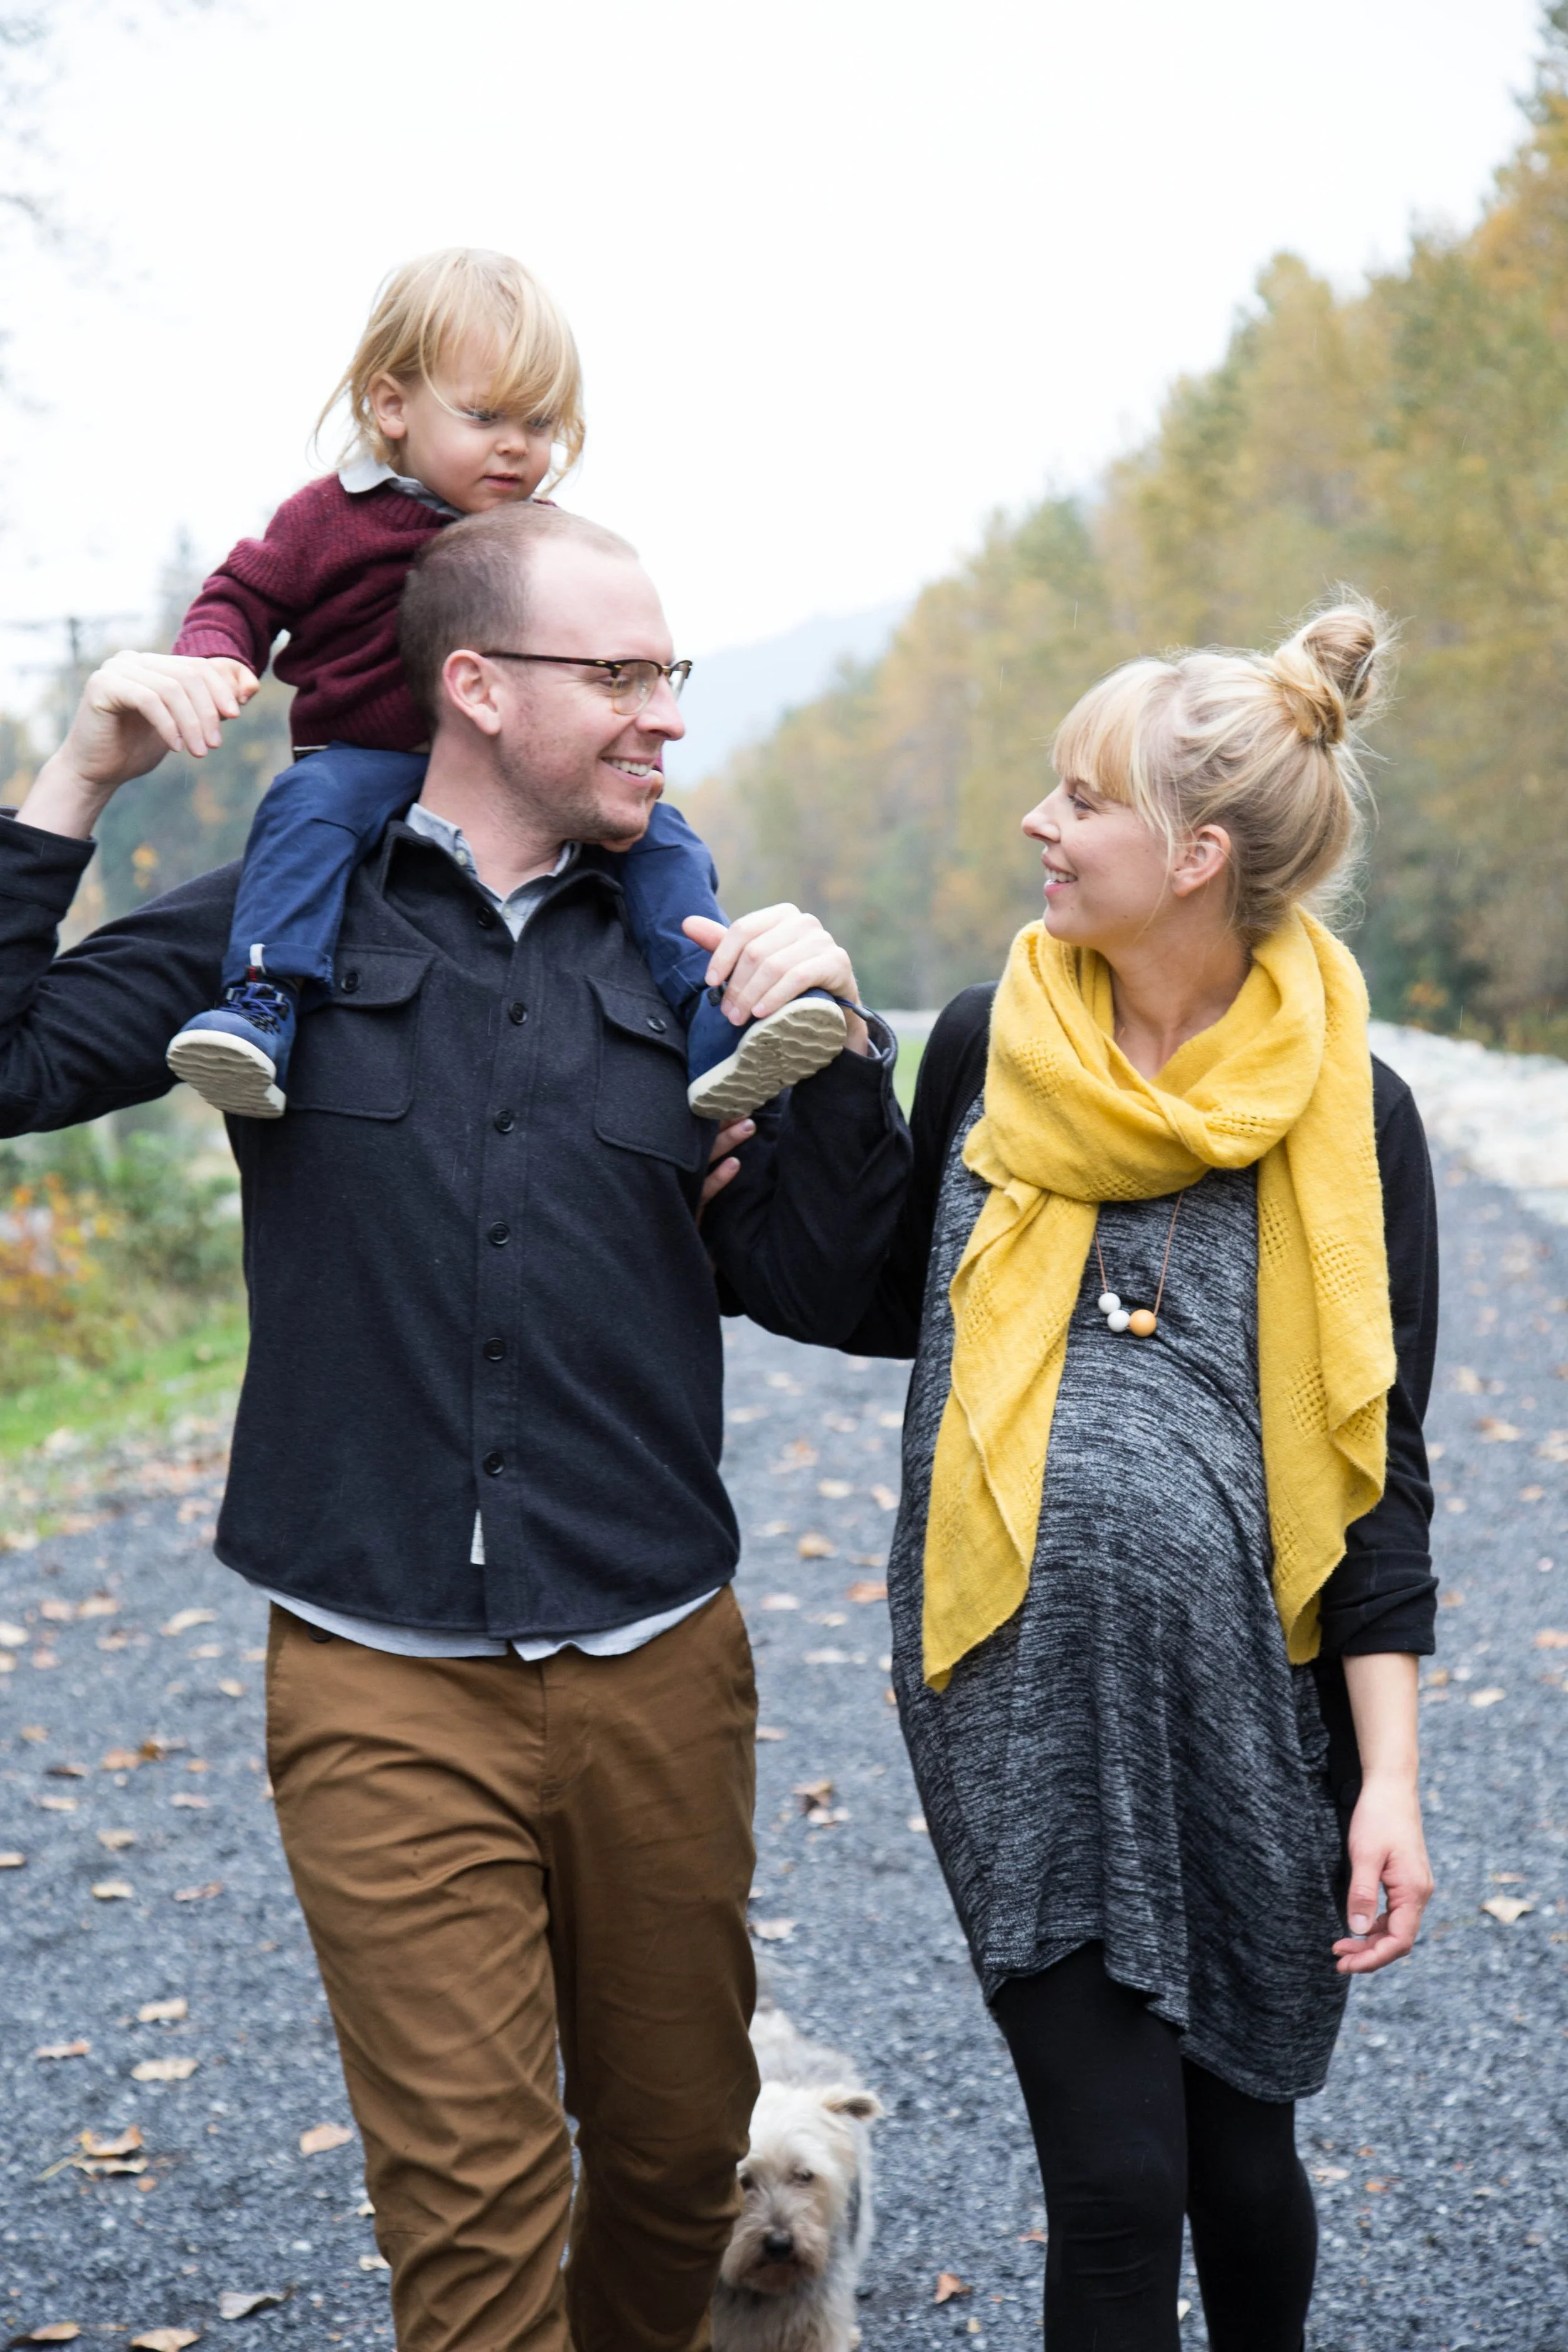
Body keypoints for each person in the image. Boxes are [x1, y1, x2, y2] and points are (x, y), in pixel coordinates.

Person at [0, 500, 911, 2352]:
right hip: (377, 1674)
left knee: (669, 2170)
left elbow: (855, 1292)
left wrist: (833, 1039)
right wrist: (75, 771)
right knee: (477, 2224)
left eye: (674, 674)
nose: (665, 714)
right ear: (476, 686)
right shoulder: (286, 909)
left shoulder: (686, 956)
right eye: (625, 674)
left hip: (661, 1659)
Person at [848, 598, 1438, 2351]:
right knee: (1115, 2186)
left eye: (1075, 797)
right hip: (1017, 1699)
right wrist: (789, 1045)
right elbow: (863, 1290)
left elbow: (1379, 1475)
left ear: (1189, 857)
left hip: (1257, 1716)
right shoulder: (978, 1044)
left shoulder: (1354, 1110)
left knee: (1240, 2152)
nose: (1037, 825)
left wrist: (1388, 1774)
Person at [163, 246, 848, 1124]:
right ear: (391, 404)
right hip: (366, 763)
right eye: (487, 416)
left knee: (666, 843)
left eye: (540, 422)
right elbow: (244, 596)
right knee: (303, 812)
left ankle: (711, 1015)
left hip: (514, 779)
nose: (517, 447)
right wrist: (214, 657)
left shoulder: (542, 542)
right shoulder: (329, 517)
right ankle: (265, 1002)